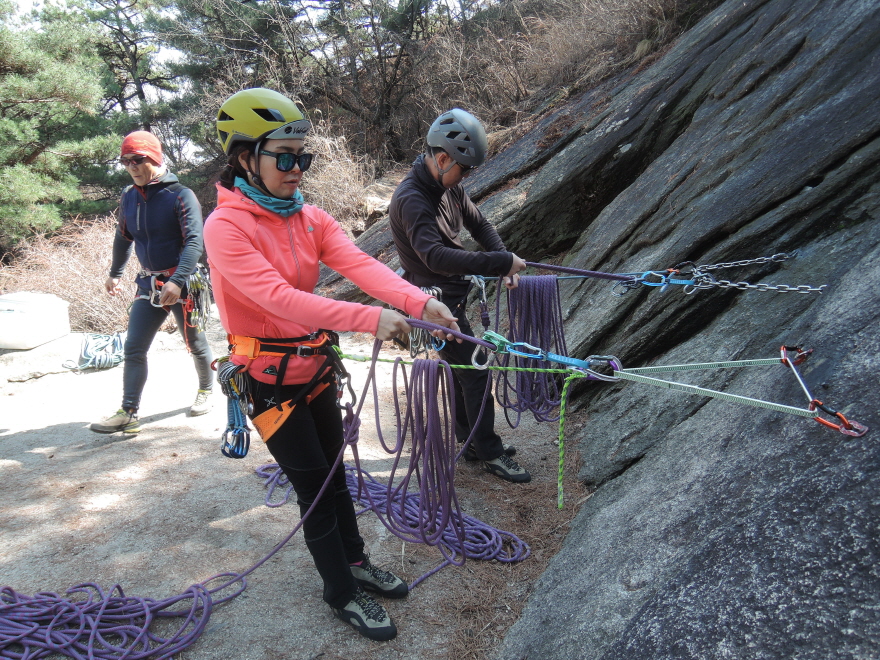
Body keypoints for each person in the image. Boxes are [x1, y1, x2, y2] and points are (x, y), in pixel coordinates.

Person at [203, 88, 460, 641]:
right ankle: (339, 591)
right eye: (284, 158)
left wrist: (418, 302)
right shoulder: (225, 228)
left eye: (303, 157)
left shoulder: (308, 218)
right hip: (267, 382)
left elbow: (362, 265)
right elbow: (278, 299)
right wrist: (369, 320)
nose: (297, 169)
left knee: (336, 477)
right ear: (246, 158)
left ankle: (357, 563)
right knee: (315, 489)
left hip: (314, 369)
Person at [388, 108, 532, 484]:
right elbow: (434, 257)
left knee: (462, 370)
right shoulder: (412, 199)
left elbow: (479, 223)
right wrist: (498, 263)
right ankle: (488, 450)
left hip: (449, 296)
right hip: (432, 304)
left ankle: (470, 441)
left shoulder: (447, 186)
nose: (464, 177)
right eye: (463, 169)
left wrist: (503, 260)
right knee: (476, 369)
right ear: (442, 159)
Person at [90, 131, 213, 434]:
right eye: (126, 161)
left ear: (155, 159)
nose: (132, 166)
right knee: (134, 347)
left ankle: (206, 390)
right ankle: (129, 412)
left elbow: (195, 242)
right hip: (148, 283)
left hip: (184, 283)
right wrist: (115, 272)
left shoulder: (180, 195)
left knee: (195, 343)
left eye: (138, 159)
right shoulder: (129, 196)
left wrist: (178, 280)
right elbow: (123, 237)